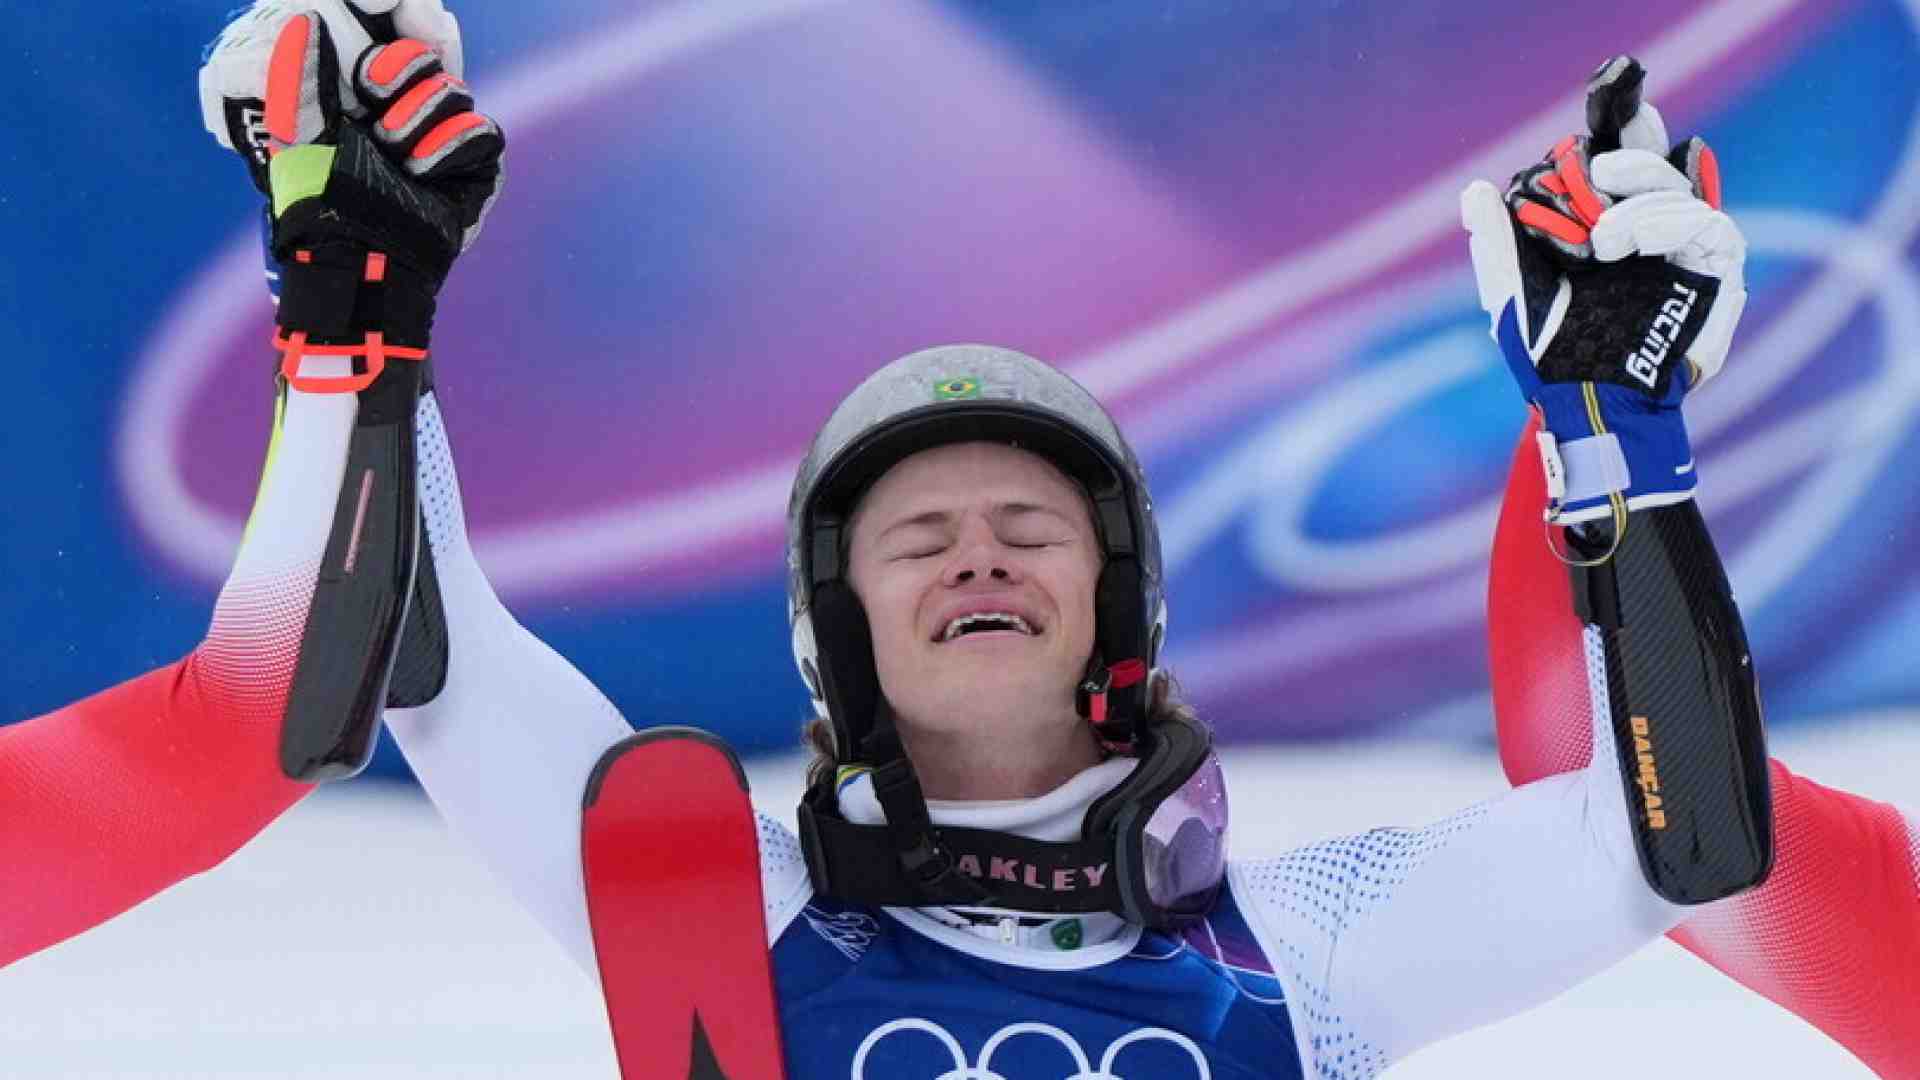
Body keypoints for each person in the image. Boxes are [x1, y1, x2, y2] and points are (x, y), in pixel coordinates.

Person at [0, 4, 1893, 1078]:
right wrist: (361, 321)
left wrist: (1611, 442)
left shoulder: (1317, 947)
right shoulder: (702, 897)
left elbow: (1680, 843)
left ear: (1121, 605)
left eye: (1027, 524)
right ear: (830, 633)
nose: (977, 555)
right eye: (914, 538)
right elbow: (407, 658)